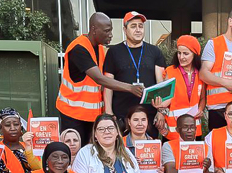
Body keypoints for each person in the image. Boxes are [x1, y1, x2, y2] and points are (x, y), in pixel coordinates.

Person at [57, 12, 144, 145]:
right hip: (73, 114)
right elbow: (100, 79)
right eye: (107, 31)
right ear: (94, 29)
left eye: (111, 30)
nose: (111, 35)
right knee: (74, 151)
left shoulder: (100, 49)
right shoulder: (78, 49)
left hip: (92, 116)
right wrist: (130, 88)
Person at [104, 11, 166, 129]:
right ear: (125, 29)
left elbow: (160, 84)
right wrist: (109, 112)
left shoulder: (155, 51)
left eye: (140, 26)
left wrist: (161, 111)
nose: (138, 30)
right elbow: (108, 84)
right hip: (121, 116)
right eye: (133, 26)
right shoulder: (113, 52)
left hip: (148, 117)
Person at [155, 34, 206, 140]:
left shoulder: (200, 74)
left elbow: (202, 98)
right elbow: (166, 99)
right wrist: (159, 107)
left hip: (194, 131)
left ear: (195, 55)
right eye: (179, 53)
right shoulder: (170, 71)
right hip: (174, 131)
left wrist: (201, 109)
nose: (181, 57)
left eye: (185, 53)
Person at [124, 105, 164, 173]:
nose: (140, 124)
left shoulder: (156, 145)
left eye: (143, 120)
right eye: (136, 120)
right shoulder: (120, 145)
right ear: (129, 122)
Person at [0, 108, 41, 173]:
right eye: (7, 125)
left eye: (16, 124)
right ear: (1, 128)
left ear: (21, 126)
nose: (13, 128)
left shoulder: (29, 146)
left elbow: (40, 169)